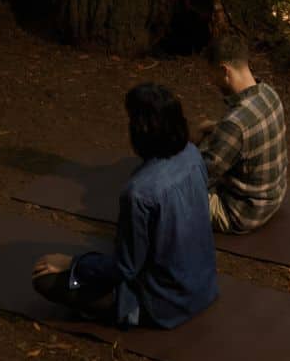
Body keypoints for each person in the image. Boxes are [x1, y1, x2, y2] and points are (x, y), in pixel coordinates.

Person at [31, 83, 218, 328]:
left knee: (45, 280)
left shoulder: (139, 192)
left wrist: (73, 263)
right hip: (204, 287)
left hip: (164, 304)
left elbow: (125, 269)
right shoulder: (193, 154)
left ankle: (127, 313)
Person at [197, 35, 288, 233]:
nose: (211, 82)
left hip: (241, 213)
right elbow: (250, 129)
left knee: (172, 191)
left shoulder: (234, 125)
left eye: (212, 75)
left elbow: (201, 174)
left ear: (224, 71)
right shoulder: (269, 93)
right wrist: (216, 127)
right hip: (273, 199)